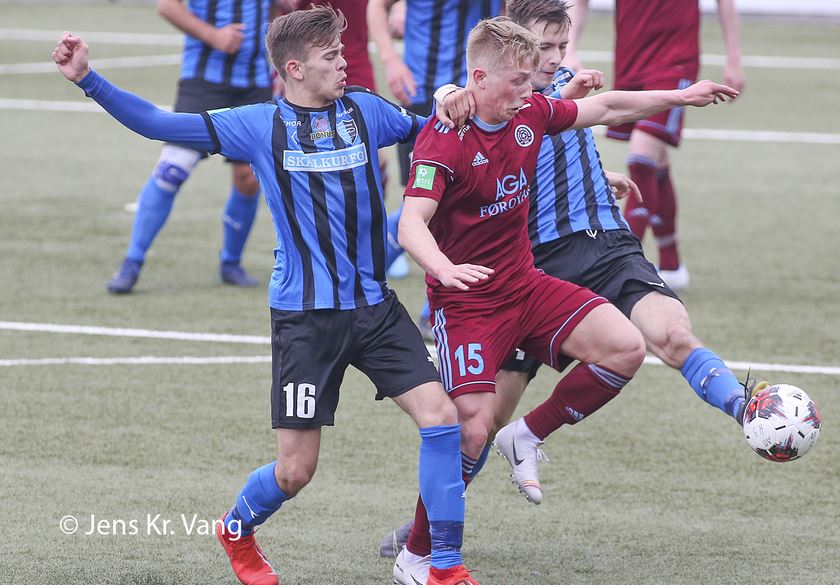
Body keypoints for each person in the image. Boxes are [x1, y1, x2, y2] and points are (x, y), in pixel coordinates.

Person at [52, 7, 481, 585]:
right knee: (295, 471)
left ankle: (442, 566)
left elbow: (440, 131)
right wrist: (87, 78)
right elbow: (157, 123)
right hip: (305, 320)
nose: (345, 62)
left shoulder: (367, 111)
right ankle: (236, 529)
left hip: (375, 309)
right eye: (331, 55)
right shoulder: (257, 124)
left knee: (442, 419)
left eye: (342, 52)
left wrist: (450, 96)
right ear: (295, 69)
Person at [388, 15, 738, 584]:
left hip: (527, 285)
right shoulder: (444, 136)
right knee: (471, 428)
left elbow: (607, 107)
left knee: (624, 347)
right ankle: (421, 557)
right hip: (470, 303)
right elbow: (411, 224)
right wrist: (444, 269)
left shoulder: (529, 113)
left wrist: (680, 96)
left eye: (532, 78)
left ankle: (525, 437)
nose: (529, 91)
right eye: (518, 81)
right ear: (479, 78)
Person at [564, 0, 745, 290]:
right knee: (655, 160)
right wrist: (570, 49)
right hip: (630, 59)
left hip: (676, 60)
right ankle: (671, 264)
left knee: (641, 157)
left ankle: (617, 264)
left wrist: (734, 58)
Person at [106, 0, 272, 294]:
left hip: (255, 83)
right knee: (172, 170)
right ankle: (132, 261)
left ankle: (231, 262)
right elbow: (167, 6)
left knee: (248, 178)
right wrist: (214, 35)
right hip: (202, 82)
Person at [368, 0, 504, 293]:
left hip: (483, 95)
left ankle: (430, 299)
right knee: (424, 200)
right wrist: (391, 60)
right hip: (425, 92)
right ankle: (366, 275)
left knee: (475, 196)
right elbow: (377, 5)